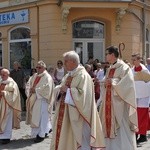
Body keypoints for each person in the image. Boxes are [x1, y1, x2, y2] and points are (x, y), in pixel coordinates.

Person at [50, 51, 105, 150]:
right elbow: (62, 87)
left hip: (80, 116)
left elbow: (83, 96)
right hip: (67, 114)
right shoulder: (68, 75)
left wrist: (68, 90)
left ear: (73, 62)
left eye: (66, 61)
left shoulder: (83, 75)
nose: (64, 63)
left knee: (81, 141)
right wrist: (59, 90)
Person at [99, 46, 138, 150]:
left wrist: (113, 82)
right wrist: (103, 83)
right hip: (109, 103)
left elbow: (128, 84)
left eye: (107, 54)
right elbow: (106, 82)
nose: (106, 56)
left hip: (119, 104)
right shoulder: (110, 68)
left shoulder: (124, 67)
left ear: (112, 55)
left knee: (122, 126)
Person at [26, 60, 54, 143]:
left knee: (42, 118)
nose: (38, 69)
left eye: (40, 67)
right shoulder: (35, 75)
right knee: (37, 117)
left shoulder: (47, 77)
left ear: (44, 68)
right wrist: (29, 89)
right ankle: (46, 130)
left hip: (42, 100)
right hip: (34, 99)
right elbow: (28, 84)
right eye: (37, 67)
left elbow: (47, 88)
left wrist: (36, 90)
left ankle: (41, 135)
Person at [131, 53, 150, 144]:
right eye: (132, 60)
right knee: (135, 115)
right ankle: (135, 133)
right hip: (135, 95)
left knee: (142, 116)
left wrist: (140, 84)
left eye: (134, 59)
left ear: (139, 60)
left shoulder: (145, 71)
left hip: (143, 96)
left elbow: (148, 83)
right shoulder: (131, 70)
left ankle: (142, 135)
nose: (133, 61)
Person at [0, 68, 21, 144]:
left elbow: (15, 95)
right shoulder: (1, 81)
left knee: (7, 121)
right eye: (1, 74)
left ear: (8, 74)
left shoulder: (12, 83)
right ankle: (1, 136)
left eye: (4, 74)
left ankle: (6, 137)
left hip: (8, 105)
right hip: (1, 103)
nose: (2, 76)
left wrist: (5, 94)